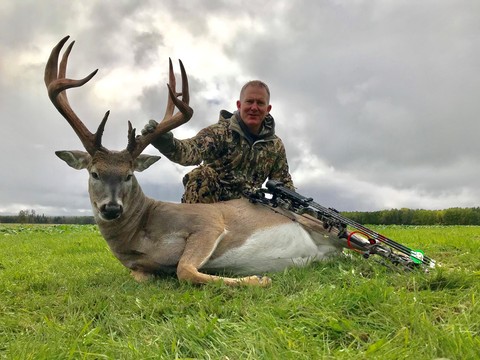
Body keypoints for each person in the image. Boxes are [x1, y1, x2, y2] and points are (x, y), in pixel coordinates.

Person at [142, 80, 294, 203]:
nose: (254, 107)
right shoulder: (219, 133)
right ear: (239, 105)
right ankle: (193, 233)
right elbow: (189, 152)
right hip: (213, 206)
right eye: (249, 102)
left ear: (268, 109)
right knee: (201, 175)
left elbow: (284, 185)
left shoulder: (275, 146)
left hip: (249, 209)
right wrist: (165, 142)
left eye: (260, 103)